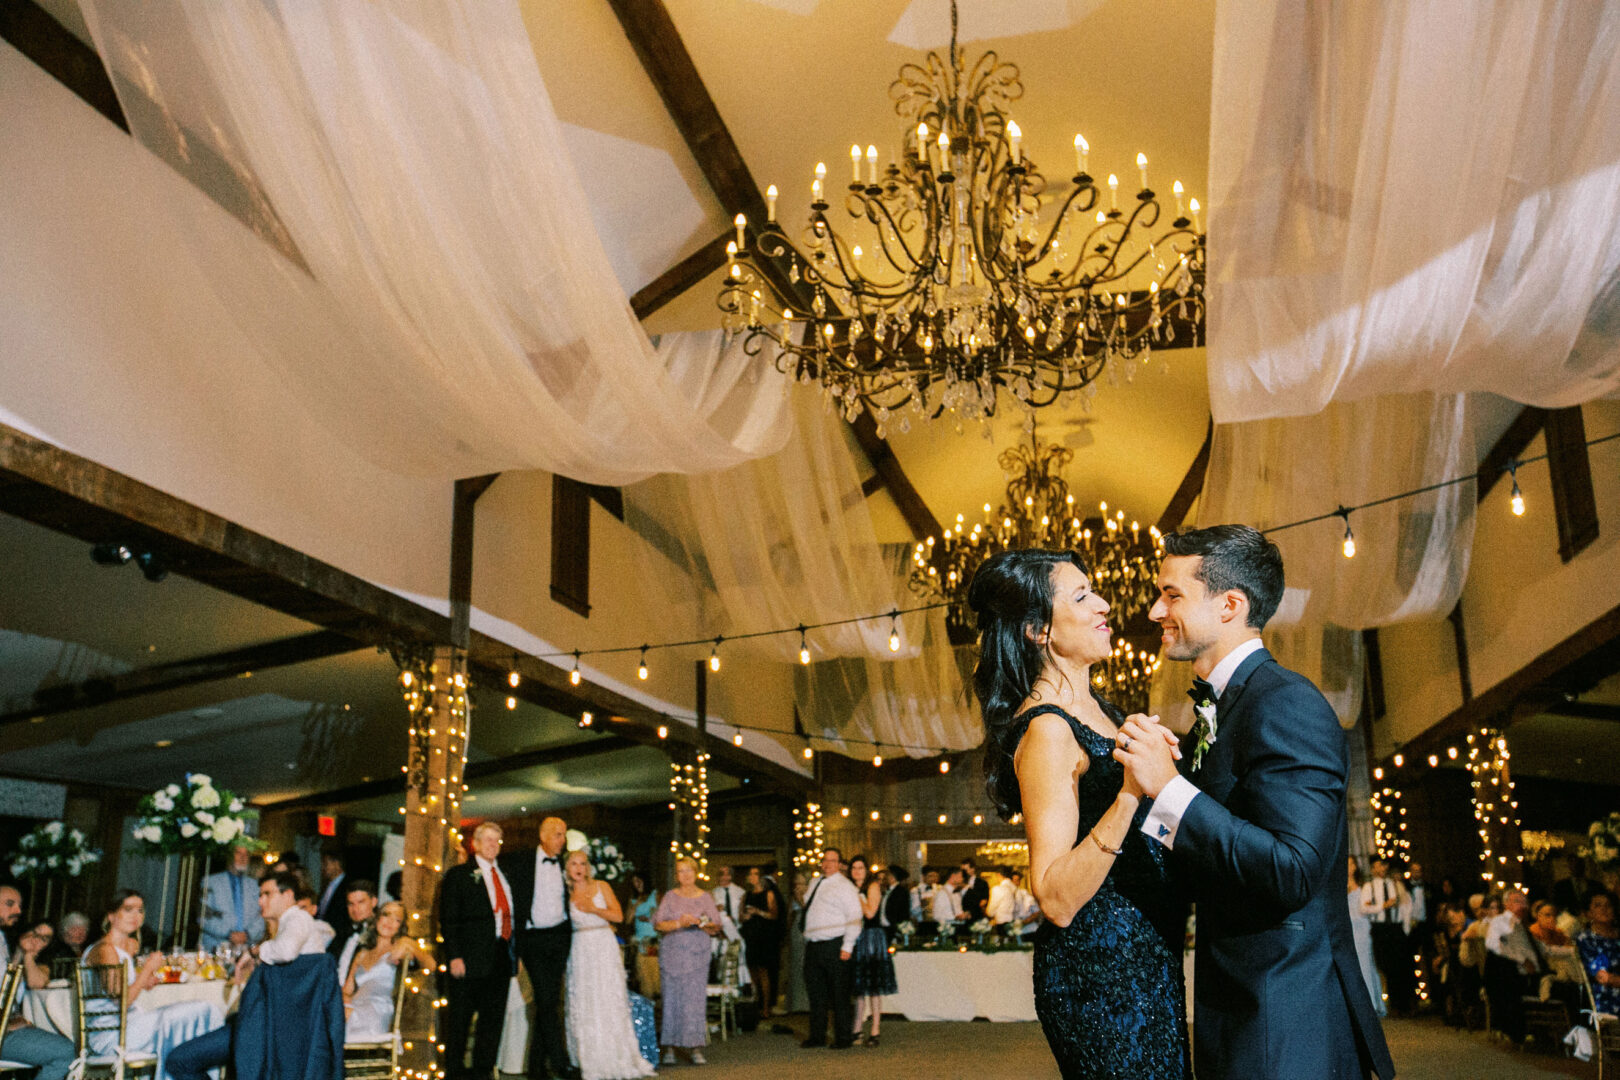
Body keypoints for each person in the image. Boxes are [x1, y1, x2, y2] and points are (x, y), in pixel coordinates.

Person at [1112, 526, 1395, 1079]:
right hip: (1236, 1008)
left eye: (1171, 594)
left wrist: (1171, 789)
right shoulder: (1215, 714)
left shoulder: (1287, 702)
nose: (1153, 611)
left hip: (1287, 1018)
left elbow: (1293, 870)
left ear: (1230, 606)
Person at [970, 547, 1190, 1080]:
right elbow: (1054, 898)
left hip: (1146, 957)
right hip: (1099, 972)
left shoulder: (1106, 713)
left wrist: (1167, 784)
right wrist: (1131, 794)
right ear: (1037, 631)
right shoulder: (1047, 729)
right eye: (1082, 595)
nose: (1104, 604)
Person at [165, 871, 336, 1080]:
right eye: (259, 894)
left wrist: (254, 952)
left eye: (267, 894)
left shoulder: (298, 918)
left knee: (181, 1060)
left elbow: (286, 951)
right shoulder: (286, 925)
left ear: (288, 895)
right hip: (270, 1026)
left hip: (267, 1029)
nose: (260, 900)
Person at [82, 889, 223, 1070]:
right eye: (128, 909)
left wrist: (146, 981)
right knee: (199, 1011)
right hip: (112, 1035)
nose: (136, 915)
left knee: (201, 1010)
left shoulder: (131, 945)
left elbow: (120, 987)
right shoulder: (104, 950)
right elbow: (121, 1001)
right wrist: (147, 969)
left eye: (140, 910)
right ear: (111, 916)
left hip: (132, 1024)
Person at [561, 850, 656, 1079]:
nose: (579, 868)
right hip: (580, 947)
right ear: (567, 868)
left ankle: (615, 1055)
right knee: (584, 1000)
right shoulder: (565, 892)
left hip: (603, 944)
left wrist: (593, 908)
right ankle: (586, 1058)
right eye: (574, 864)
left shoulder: (601, 886)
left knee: (607, 998)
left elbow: (619, 916)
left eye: (583, 863)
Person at [439, 821, 516, 1080]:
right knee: (460, 1021)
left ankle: (483, 1073)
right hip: (468, 959)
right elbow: (449, 919)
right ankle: (454, 1073)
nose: (493, 845)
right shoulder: (459, 875)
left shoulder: (505, 875)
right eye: (488, 840)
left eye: (497, 841)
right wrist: (455, 956)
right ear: (475, 844)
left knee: (492, 1022)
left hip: (500, 958)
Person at [504, 815, 576, 1080]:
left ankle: (536, 1069)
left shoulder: (566, 864)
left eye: (564, 835)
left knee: (547, 1003)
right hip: (532, 940)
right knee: (547, 1001)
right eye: (558, 834)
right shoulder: (521, 860)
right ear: (543, 836)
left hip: (558, 939)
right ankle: (560, 1062)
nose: (562, 840)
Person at [0, 884, 75, 1080]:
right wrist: (6, 1023)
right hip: (4, 1032)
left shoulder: (2, 939)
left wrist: (22, 953)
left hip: (9, 1026)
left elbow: (6, 987)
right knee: (66, 1053)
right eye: (10, 904)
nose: (18, 910)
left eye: (19, 905)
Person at [653, 856, 722, 1066]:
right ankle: (670, 1048)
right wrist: (678, 923)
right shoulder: (670, 896)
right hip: (672, 955)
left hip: (697, 956)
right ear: (677, 875)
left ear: (696, 872)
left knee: (694, 1003)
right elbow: (658, 924)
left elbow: (716, 926)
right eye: (681, 871)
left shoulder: (705, 897)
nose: (686, 875)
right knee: (672, 1001)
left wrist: (701, 922)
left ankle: (695, 1047)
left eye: (689, 870)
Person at [797, 846, 862, 1051]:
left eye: (832, 861)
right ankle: (817, 1035)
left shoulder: (845, 886)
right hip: (814, 945)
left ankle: (843, 1037)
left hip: (835, 944)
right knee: (816, 993)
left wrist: (848, 946)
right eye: (824, 860)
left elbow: (854, 918)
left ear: (839, 864)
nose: (826, 864)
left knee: (839, 994)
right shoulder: (816, 882)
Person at [342, 901, 430, 1039]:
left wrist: (408, 942)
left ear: (400, 926)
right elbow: (347, 991)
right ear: (377, 918)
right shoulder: (362, 953)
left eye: (397, 919)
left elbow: (431, 964)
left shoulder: (399, 949)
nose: (389, 922)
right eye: (386, 915)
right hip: (353, 1007)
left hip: (378, 1008)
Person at [847, 855, 895, 1047]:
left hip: (871, 937)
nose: (857, 871)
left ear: (866, 870)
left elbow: (870, 913)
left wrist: (858, 897)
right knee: (858, 987)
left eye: (860, 868)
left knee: (874, 987)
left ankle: (875, 1029)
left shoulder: (872, 886)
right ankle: (856, 1028)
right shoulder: (849, 887)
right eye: (854, 868)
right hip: (855, 937)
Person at [1484, 889, 1543, 1041]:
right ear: (1506, 904)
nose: (1522, 905)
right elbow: (1494, 946)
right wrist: (1522, 960)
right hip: (1508, 973)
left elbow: (1539, 948)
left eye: (1524, 902)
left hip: (1522, 971)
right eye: (1517, 901)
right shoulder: (1500, 922)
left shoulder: (1520, 924)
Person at [1361, 859, 1412, 1014]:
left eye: (1383, 865)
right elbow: (1363, 908)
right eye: (1377, 866)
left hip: (1396, 928)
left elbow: (1406, 907)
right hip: (1380, 928)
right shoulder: (1369, 886)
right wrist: (1382, 906)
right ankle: (1394, 1003)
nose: (1381, 869)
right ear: (1372, 869)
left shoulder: (1395, 885)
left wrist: (1405, 928)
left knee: (1401, 966)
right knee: (1386, 965)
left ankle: (1405, 1004)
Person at [199, 842, 266, 950]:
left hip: (246, 949)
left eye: (246, 854)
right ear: (229, 856)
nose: (243, 858)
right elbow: (203, 916)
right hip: (215, 947)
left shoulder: (255, 886)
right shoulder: (210, 882)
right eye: (238, 853)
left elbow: (261, 916)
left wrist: (247, 935)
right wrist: (229, 934)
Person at [739, 866, 781, 1019]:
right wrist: (746, 917)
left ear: (761, 877)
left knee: (764, 972)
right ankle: (754, 1006)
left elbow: (774, 914)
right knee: (752, 972)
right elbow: (740, 917)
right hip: (750, 935)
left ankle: (765, 1007)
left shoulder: (768, 894)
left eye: (755, 874)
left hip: (764, 936)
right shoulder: (746, 895)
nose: (752, 876)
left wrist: (758, 912)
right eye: (750, 873)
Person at [1347, 858, 1384, 1017]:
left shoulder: (1363, 887)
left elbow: (1366, 908)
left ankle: (1371, 1005)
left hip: (1361, 929)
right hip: (1347, 930)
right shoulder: (1339, 887)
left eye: (1350, 864)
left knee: (1365, 966)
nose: (1348, 867)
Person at [1577, 891, 1620, 1017]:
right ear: (1588, 913)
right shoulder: (1586, 939)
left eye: (1608, 905)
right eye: (1597, 905)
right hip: (1608, 997)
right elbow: (1602, 977)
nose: (1604, 909)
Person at [332, 879, 379, 982]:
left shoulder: (380, 935)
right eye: (351, 904)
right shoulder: (342, 932)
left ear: (374, 902)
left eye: (361, 902)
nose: (355, 909)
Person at [711, 865, 746, 939]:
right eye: (720, 874)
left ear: (730, 876)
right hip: (720, 931)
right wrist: (715, 909)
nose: (722, 877)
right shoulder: (713, 893)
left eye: (725, 874)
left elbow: (743, 913)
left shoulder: (741, 892)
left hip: (738, 929)